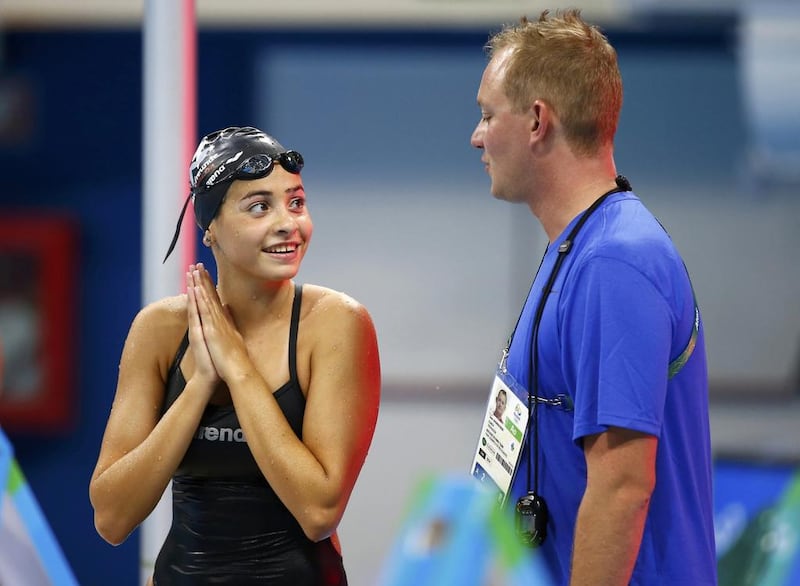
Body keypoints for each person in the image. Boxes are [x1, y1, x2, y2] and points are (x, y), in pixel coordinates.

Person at [470, 10, 716, 585]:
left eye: (487, 114)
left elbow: (622, 486)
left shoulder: (614, 261)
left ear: (536, 121)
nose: (476, 135)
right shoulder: (579, 248)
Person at [89, 126, 381, 585]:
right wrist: (200, 384)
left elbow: (319, 510)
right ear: (211, 229)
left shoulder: (334, 324)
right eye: (260, 206)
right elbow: (111, 517)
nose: (289, 222)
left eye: (296, 202)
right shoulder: (161, 331)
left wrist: (238, 368)